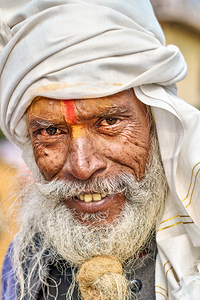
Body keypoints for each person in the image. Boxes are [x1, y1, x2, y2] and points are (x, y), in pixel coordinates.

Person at [0, 0, 200, 299]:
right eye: (51, 131)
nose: (82, 166)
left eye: (109, 121)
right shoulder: (24, 268)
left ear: (154, 120)